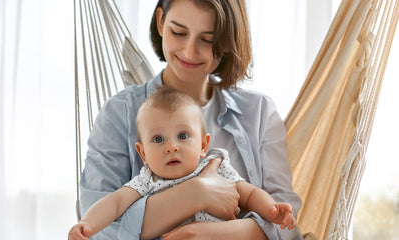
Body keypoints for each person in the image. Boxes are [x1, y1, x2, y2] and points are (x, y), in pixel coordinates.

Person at [79, 0, 303, 239]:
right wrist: (196, 192)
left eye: (207, 39)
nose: (189, 51)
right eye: (178, 32)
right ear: (160, 22)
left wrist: (209, 234)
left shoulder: (259, 112)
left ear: (227, 41)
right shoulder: (120, 113)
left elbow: (286, 223)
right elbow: (99, 231)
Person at [70, 87, 296, 240]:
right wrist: (87, 223)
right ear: (143, 153)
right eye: (158, 139)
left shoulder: (217, 166)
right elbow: (115, 203)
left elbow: (249, 194)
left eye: (183, 136)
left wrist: (271, 209)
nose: (172, 147)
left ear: (203, 145)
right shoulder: (147, 180)